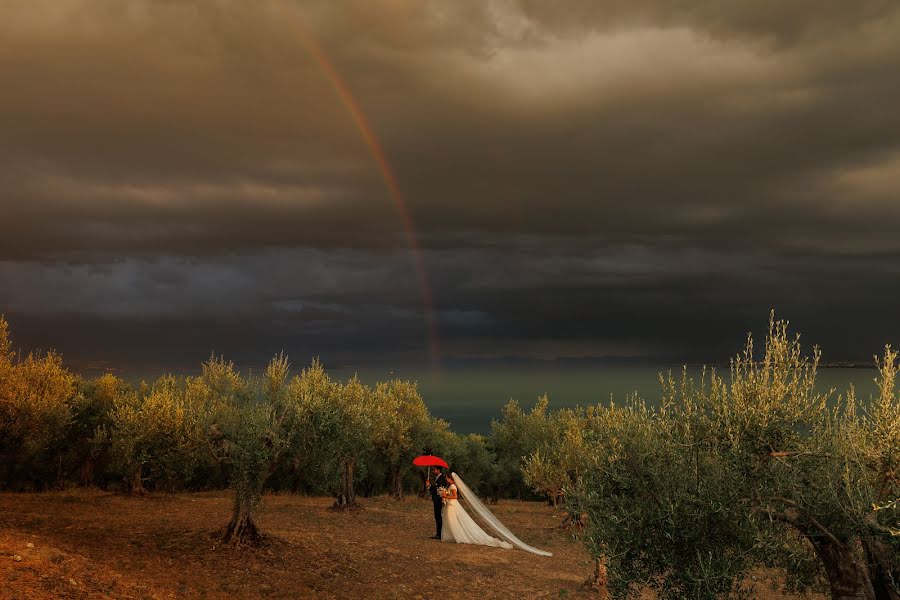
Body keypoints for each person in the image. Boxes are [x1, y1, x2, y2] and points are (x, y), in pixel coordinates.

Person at [438, 471, 552, 556]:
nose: (446, 480)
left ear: (450, 478)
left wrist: (445, 495)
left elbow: (455, 496)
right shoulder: (451, 486)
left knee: (455, 521)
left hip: (453, 505)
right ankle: (453, 535)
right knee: (453, 521)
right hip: (451, 505)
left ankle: (457, 536)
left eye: (447, 478)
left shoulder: (452, 486)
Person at [426, 465, 446, 539]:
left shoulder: (441, 479)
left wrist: (430, 486)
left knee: (438, 516)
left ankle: (439, 534)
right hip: (436, 500)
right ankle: (438, 533)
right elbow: (435, 488)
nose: (433, 471)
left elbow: (439, 490)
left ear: (438, 470)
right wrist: (429, 486)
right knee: (437, 516)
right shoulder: (438, 478)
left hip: (438, 501)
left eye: (434, 469)